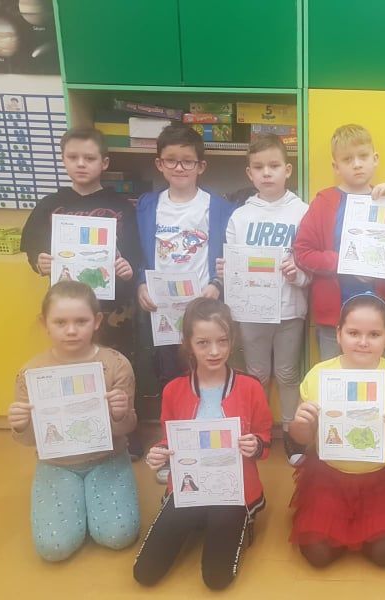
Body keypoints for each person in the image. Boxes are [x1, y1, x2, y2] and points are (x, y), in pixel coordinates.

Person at [133, 298, 273, 590]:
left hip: (232, 490)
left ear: (232, 341)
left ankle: (234, 524)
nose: (214, 351)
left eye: (222, 341)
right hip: (190, 488)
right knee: (144, 573)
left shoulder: (250, 387)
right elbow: (169, 439)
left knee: (216, 578)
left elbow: (264, 436)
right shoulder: (173, 390)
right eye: (203, 343)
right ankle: (200, 521)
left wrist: (256, 445)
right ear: (188, 344)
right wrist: (160, 454)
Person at [8, 281, 139, 561]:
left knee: (118, 535)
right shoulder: (32, 372)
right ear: (44, 323)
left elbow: (128, 426)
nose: (71, 330)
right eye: (60, 322)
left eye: (81, 321)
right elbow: (29, 439)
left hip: (107, 458)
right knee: (53, 547)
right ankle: (78, 501)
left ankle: (93, 502)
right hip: (57, 464)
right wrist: (21, 424)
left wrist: (119, 414)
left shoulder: (116, 364)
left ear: (97, 321)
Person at [288, 293, 385, 567]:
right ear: (338, 334)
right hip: (329, 475)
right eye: (353, 333)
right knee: (317, 555)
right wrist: (301, 424)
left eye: (374, 334)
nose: (363, 342)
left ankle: (369, 526)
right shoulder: (319, 376)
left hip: (384, 477)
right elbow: (302, 437)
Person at [136, 125, 236, 482]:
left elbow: (230, 255)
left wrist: (217, 284)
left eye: (187, 161)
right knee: (171, 381)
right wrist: (140, 284)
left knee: (208, 375)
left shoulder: (218, 207)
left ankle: (211, 447)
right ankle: (172, 449)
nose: (179, 167)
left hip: (204, 309)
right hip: (163, 311)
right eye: (171, 161)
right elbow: (137, 252)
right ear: (159, 164)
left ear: (200, 166)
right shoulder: (148, 206)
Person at [218, 134, 310, 462]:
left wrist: (298, 273)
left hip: (290, 308)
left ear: (288, 170)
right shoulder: (240, 217)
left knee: (287, 374)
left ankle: (292, 435)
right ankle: (259, 433)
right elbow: (232, 268)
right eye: (258, 167)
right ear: (249, 173)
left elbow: (309, 265)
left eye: (274, 166)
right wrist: (226, 270)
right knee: (256, 375)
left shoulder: (303, 212)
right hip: (251, 313)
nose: (266, 173)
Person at [293, 124, 385, 360]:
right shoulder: (324, 202)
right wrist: (344, 263)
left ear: (375, 159)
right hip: (334, 315)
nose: (357, 164)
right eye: (347, 159)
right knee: (333, 373)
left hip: (377, 314)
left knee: (376, 376)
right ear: (336, 166)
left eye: (363, 156)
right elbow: (302, 253)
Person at [20, 127, 141, 362]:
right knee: (72, 363)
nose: (81, 164)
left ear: (104, 163)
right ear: (63, 160)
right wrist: (38, 262)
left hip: (114, 308)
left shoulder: (123, 207)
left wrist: (129, 269)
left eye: (89, 158)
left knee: (116, 365)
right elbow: (33, 248)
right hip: (68, 309)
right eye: (73, 157)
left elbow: (135, 253)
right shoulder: (50, 205)